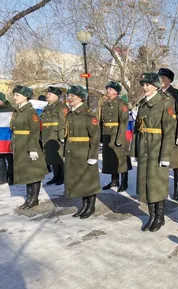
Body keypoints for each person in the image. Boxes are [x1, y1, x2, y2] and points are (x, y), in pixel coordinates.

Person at [130, 73, 175, 232]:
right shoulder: (142, 103)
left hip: (157, 146)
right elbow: (137, 128)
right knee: (146, 183)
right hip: (144, 146)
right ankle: (152, 216)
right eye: (143, 84)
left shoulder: (165, 102)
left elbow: (169, 131)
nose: (145, 87)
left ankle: (160, 217)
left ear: (156, 85)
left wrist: (165, 155)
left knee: (157, 184)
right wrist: (135, 150)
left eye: (148, 84)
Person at [64, 85, 101, 219]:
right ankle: (84, 206)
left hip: (84, 151)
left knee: (88, 180)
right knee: (79, 180)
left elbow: (95, 137)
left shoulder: (88, 114)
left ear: (80, 98)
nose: (69, 98)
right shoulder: (70, 114)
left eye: (72, 96)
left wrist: (93, 155)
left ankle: (90, 207)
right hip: (73, 151)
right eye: (69, 96)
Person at [11, 85, 48, 209]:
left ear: (25, 97)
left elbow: (34, 131)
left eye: (17, 95)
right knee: (27, 173)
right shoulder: (17, 111)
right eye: (14, 95)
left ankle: (34, 199)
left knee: (33, 173)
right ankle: (29, 198)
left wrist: (32, 148)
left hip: (28, 145)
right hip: (20, 144)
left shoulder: (30, 112)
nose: (14, 97)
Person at [158, 68, 178, 201]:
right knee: (161, 162)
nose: (161, 81)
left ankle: (177, 190)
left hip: (173, 131)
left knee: (176, 163)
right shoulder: (156, 94)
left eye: (164, 78)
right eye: (160, 78)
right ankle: (160, 188)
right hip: (159, 133)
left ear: (170, 80)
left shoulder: (176, 93)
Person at [100, 81, 131, 192]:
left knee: (121, 159)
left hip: (118, 134)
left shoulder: (121, 104)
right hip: (108, 134)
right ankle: (114, 181)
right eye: (107, 88)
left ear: (116, 92)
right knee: (111, 159)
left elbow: (123, 122)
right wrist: (101, 136)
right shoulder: (105, 104)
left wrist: (119, 138)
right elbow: (101, 121)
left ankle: (124, 182)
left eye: (110, 89)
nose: (108, 90)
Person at [41, 86, 68, 186]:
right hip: (48, 134)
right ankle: (56, 175)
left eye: (50, 94)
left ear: (56, 96)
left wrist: (62, 136)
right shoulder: (47, 106)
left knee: (59, 155)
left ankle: (62, 176)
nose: (47, 95)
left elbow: (63, 121)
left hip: (56, 134)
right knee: (51, 156)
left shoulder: (61, 107)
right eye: (47, 93)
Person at [0, 92, 14, 185]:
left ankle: (11, 177)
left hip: (8, 138)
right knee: (0, 160)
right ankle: (2, 178)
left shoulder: (12, 110)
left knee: (10, 159)